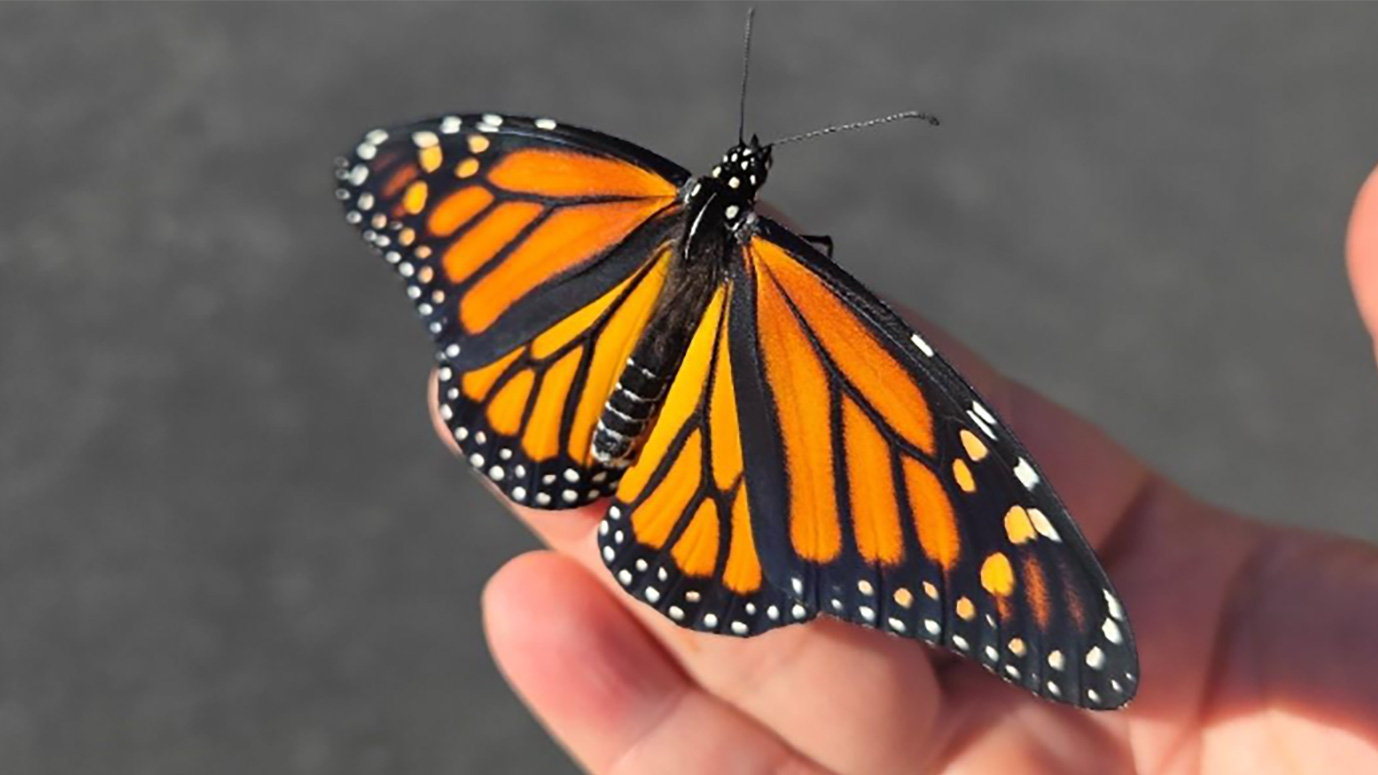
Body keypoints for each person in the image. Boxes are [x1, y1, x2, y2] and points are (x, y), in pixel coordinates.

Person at [429, 167, 1378, 774]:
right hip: (693, 468)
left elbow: (929, 498)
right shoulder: (801, 290)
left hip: (577, 378)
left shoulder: (624, 193)